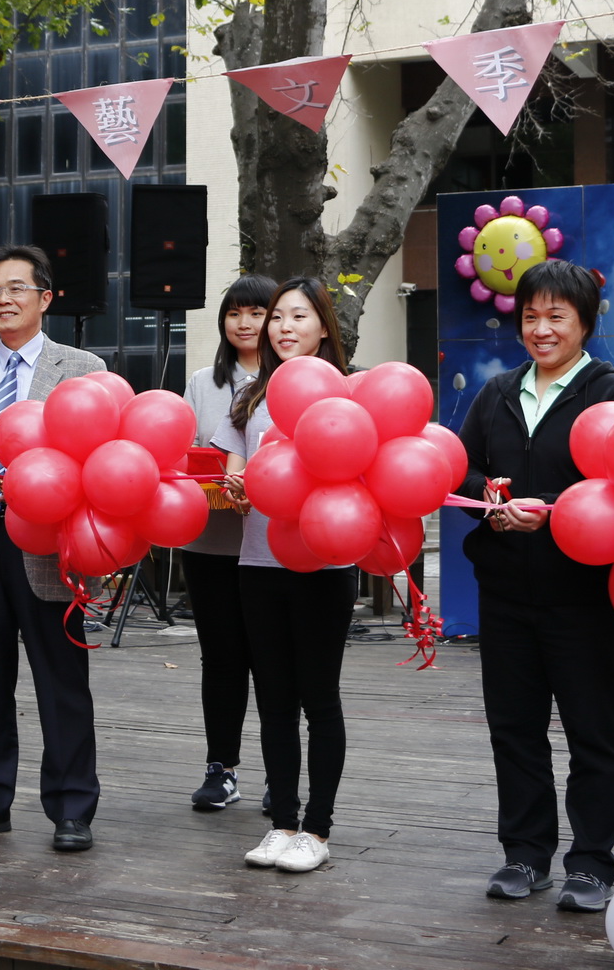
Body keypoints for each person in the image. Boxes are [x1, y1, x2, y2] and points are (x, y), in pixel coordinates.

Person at [456, 259, 614, 912]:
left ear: (584, 322)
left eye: (556, 316)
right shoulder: (498, 390)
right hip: (506, 589)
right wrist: (490, 500)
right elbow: (466, 467)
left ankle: (591, 861)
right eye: (530, 315)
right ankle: (525, 853)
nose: (541, 328)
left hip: (585, 594)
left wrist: (549, 507)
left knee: (593, 730)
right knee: (515, 727)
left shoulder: (610, 391)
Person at [0, 244, 106, 853]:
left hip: (50, 544)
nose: (2, 300)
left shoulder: (83, 368)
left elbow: (102, 450)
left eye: (15, 289)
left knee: (61, 681)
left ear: (45, 298)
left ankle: (71, 807)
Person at [213, 276, 356, 875]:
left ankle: (317, 829)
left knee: (318, 698)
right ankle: (281, 824)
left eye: (299, 316)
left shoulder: (346, 396)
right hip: (258, 563)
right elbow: (232, 471)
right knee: (273, 699)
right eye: (277, 317)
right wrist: (233, 487)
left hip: (325, 564)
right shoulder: (249, 394)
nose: (283, 326)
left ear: (324, 326)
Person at [181, 273, 275, 812]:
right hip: (210, 541)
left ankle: (276, 773)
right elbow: (187, 449)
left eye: (256, 312)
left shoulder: (293, 380)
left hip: (271, 544)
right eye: (234, 312)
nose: (244, 322)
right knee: (220, 657)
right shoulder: (201, 381)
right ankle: (221, 768)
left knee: (271, 658)